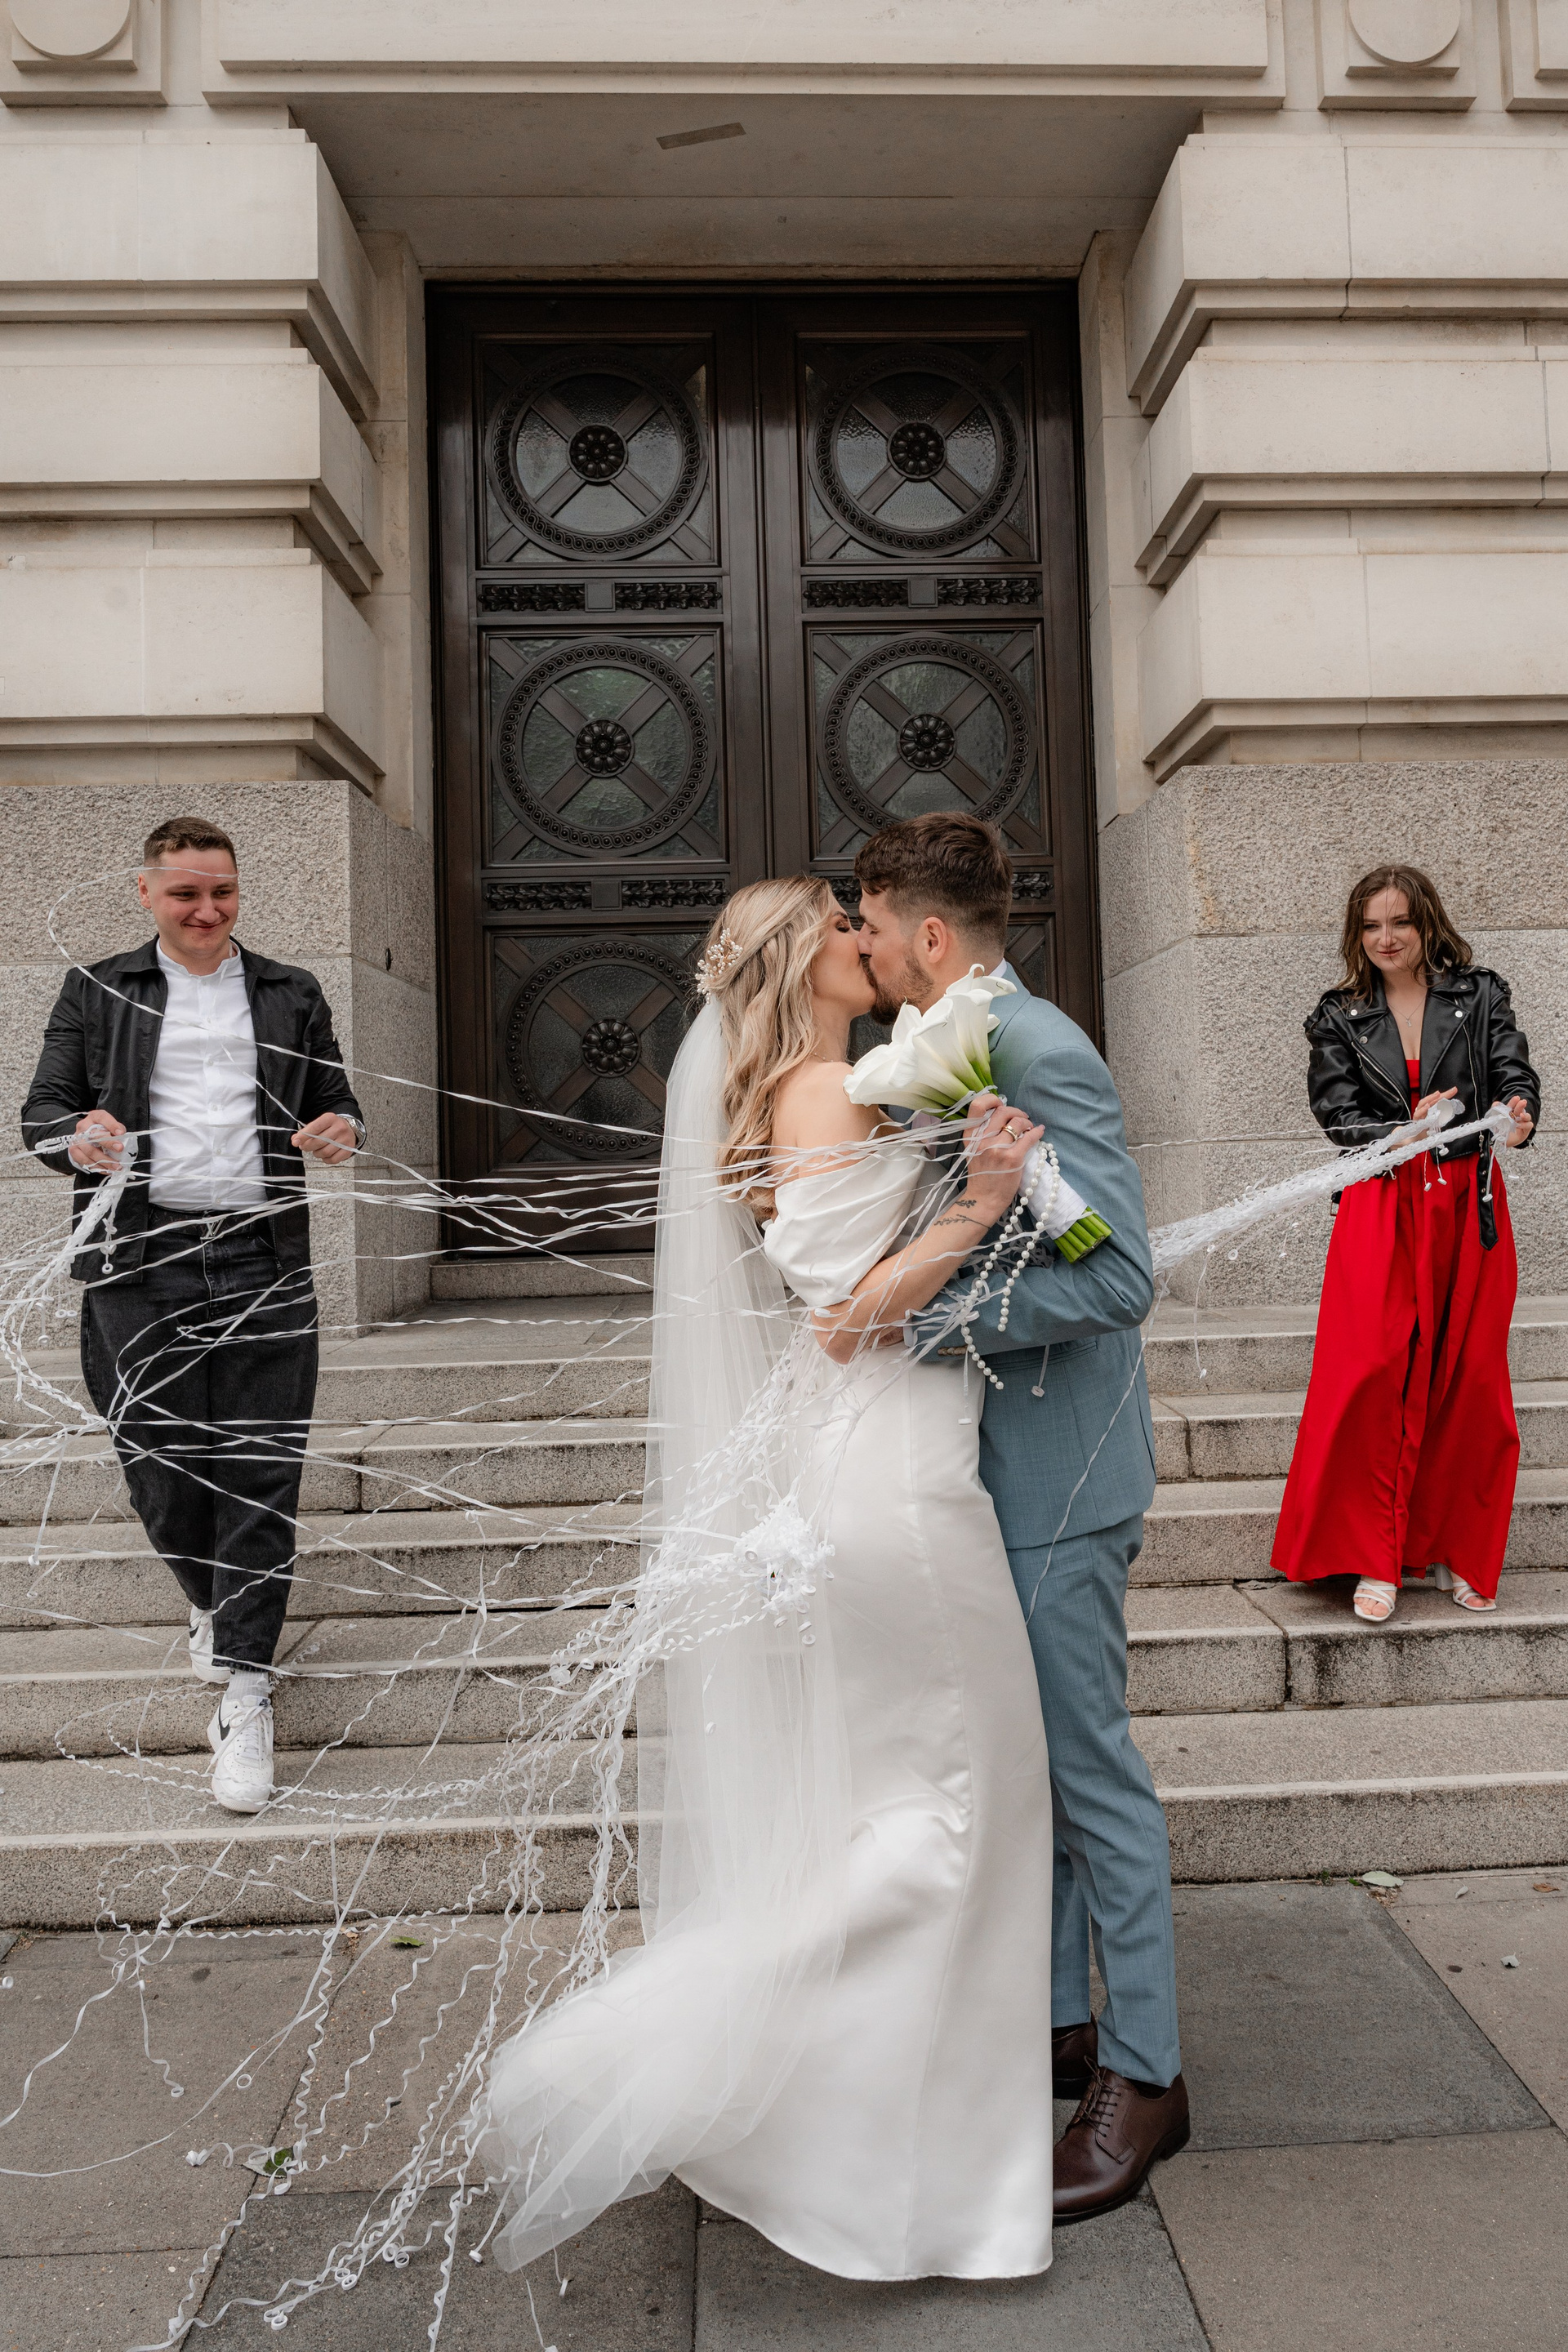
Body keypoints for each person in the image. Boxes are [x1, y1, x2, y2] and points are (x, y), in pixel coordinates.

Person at [482, 875, 1062, 2281]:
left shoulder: (828, 1086)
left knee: (933, 1810)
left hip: (883, 1462)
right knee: (958, 1811)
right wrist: (982, 1201)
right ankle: (717, 2080)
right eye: (845, 926)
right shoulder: (816, 1093)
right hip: (894, 1477)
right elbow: (846, 1316)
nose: (869, 938)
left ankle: (890, 2154)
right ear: (805, 961)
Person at [853, 810, 1187, 2223]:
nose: (864, 951)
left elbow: (1120, 1278)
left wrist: (930, 1325)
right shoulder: (959, 1047)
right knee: (1033, 1763)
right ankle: (1060, 2022)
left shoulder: (1040, 1050)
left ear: (931, 934)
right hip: (995, 1467)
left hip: (1064, 1472)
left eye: (874, 928)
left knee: (1090, 1771)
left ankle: (1148, 2072)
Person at [20, 816, 365, 1814]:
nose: (207, 911)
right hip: (140, 1261)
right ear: (146, 894)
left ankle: (247, 1692)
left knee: (260, 1469)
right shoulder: (96, 990)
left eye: (223, 892)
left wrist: (341, 1128)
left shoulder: (292, 991)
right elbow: (42, 1112)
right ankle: (217, 1602)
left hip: (262, 1257)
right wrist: (77, 1137)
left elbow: (339, 1100)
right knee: (161, 1466)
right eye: (185, 894)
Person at [1272, 863, 1539, 1623]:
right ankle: (1374, 1557)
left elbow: (1514, 1076)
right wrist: (1402, 1130)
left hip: (1465, 1205)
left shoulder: (1480, 994)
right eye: (1371, 926)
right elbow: (1338, 1114)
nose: (1385, 938)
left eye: (1400, 922)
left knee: (1470, 1377)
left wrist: (1519, 1114)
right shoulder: (1338, 1015)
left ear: (1427, 924)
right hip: (1382, 1201)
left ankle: (1459, 1549)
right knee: (1370, 1373)